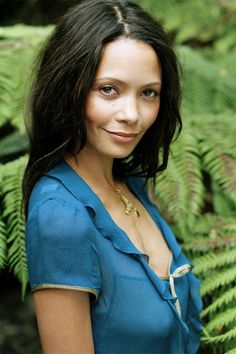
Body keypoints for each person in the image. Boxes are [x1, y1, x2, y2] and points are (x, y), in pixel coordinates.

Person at [23, 0, 202, 353]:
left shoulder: (133, 187)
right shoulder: (61, 215)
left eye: (148, 93)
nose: (132, 114)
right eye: (109, 89)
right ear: (67, 88)